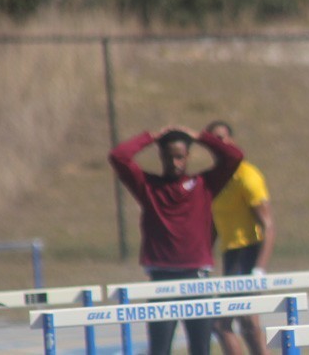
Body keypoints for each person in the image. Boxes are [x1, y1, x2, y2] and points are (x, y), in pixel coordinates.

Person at [109, 125, 243, 355]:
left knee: (200, 348)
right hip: (162, 278)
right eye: (169, 157)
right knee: (160, 349)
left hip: (197, 278)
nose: (175, 163)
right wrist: (151, 136)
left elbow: (234, 157)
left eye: (180, 157)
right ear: (161, 156)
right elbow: (118, 157)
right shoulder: (148, 186)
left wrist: (200, 136)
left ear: (188, 156)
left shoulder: (205, 184)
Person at [206, 121, 275, 355]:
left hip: (248, 251)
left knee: (229, 322)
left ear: (232, 141)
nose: (219, 144)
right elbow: (215, 223)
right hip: (230, 254)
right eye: (213, 140)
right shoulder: (215, 179)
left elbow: (268, 226)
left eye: (222, 138)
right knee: (242, 322)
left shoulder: (247, 176)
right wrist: (204, 258)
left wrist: (259, 268)